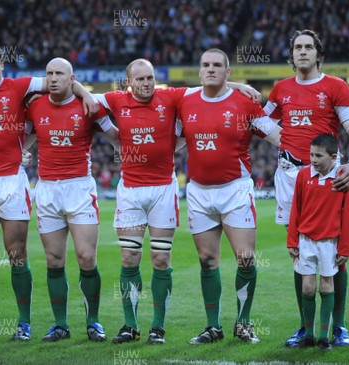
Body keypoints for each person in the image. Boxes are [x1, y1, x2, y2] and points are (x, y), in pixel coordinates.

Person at [93, 58, 261, 344]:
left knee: (160, 258)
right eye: (140, 79)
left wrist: (237, 84)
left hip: (163, 189)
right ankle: (130, 325)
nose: (146, 83)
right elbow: (86, 101)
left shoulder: (170, 96)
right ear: (128, 82)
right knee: (129, 257)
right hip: (130, 190)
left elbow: (208, 86)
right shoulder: (115, 100)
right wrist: (115, 138)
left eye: (150, 78)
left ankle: (158, 328)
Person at [0, 43, 98, 341]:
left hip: (12, 181)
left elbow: (60, 81)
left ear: (2, 64)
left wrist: (85, 94)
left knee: (17, 254)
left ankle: (23, 324)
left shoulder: (20, 87)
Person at [263, 29, 349, 347]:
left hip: (329, 177)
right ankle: (306, 328)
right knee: (300, 250)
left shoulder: (335, 86)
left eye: (309, 47)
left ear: (318, 54)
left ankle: (339, 326)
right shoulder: (280, 89)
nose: (303, 52)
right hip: (292, 176)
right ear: (291, 55)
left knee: (335, 254)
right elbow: (259, 120)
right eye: (297, 47)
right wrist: (283, 144)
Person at [177, 49, 281, 344]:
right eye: (205, 65)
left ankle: (243, 323)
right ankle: (213, 326)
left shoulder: (244, 105)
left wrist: (315, 150)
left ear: (228, 72)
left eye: (217, 65)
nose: (210, 69)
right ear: (199, 71)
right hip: (198, 192)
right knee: (207, 260)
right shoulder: (184, 100)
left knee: (246, 259)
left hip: (235, 190)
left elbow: (277, 135)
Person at [25, 58, 118, 342]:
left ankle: (93, 321)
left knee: (86, 257)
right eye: (49, 73)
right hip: (48, 189)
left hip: (79, 188)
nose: (53, 78)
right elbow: (22, 140)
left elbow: (116, 138)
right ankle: (61, 325)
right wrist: (15, 155)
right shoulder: (34, 106)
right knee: (54, 260)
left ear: (72, 78)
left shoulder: (89, 106)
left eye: (60, 74)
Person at [287, 134, 349, 351]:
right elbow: (296, 208)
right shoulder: (303, 175)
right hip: (305, 241)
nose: (313, 159)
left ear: (333, 157)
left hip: (329, 243)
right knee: (307, 287)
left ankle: (324, 337)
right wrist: (292, 240)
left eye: (318, 156)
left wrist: (344, 247)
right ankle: (308, 334)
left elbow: (347, 215)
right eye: (311, 154)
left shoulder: (342, 177)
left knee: (326, 286)